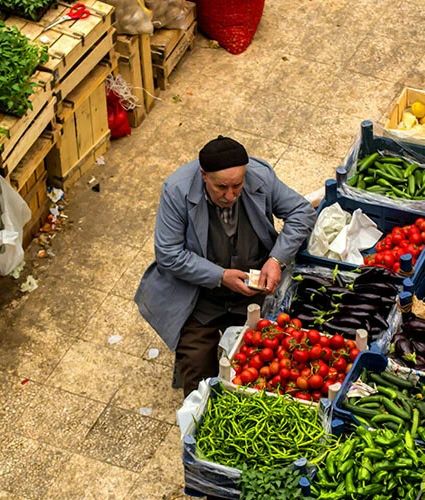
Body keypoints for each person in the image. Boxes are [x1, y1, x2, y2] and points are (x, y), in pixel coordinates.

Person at [135, 136, 317, 396]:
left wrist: (276, 259)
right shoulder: (177, 190)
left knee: (268, 361)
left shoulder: (260, 177)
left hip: (252, 289)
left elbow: (301, 212)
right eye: (221, 187)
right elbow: (169, 253)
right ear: (203, 175)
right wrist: (219, 276)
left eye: (237, 186)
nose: (230, 195)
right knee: (199, 372)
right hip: (199, 295)